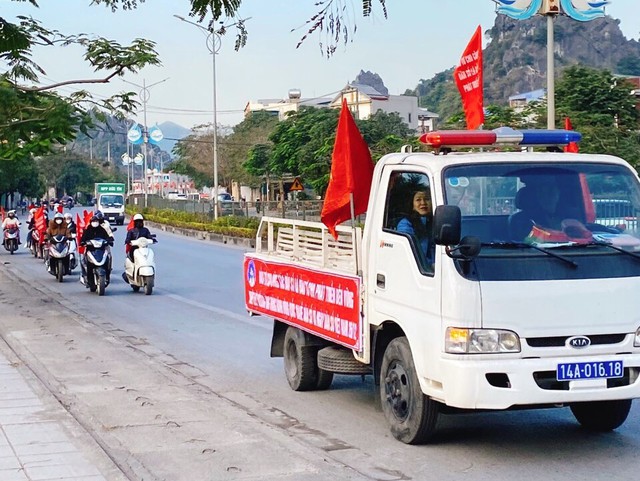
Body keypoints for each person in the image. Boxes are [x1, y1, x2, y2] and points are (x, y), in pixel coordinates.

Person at [396, 188, 434, 266]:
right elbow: (409, 252)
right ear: (412, 205)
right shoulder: (405, 224)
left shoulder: (436, 221)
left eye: (426, 199)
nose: (423, 203)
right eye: (418, 200)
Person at [80, 215, 113, 284]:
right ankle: (89, 280)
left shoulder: (102, 230)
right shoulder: (87, 230)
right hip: (91, 250)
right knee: (88, 264)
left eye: (96, 221)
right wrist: (83, 242)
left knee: (107, 260)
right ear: (91, 222)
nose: (95, 223)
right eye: (93, 221)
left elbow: (107, 237)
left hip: (101, 250)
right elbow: (83, 239)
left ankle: (107, 277)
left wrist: (109, 240)